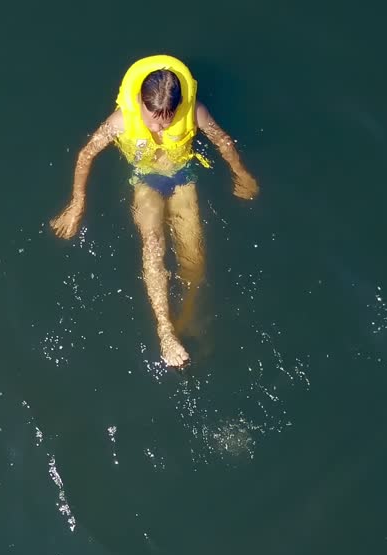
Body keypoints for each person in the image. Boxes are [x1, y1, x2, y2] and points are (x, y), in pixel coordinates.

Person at [50, 54, 258, 368]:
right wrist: (77, 203)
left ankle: (186, 315)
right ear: (141, 103)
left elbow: (222, 141)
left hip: (182, 177)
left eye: (167, 117)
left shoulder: (195, 111)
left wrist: (241, 174)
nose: (161, 125)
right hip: (145, 180)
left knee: (194, 259)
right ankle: (165, 329)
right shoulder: (121, 119)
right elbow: (86, 154)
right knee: (153, 242)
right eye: (153, 116)